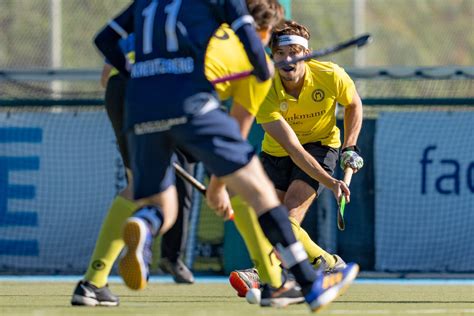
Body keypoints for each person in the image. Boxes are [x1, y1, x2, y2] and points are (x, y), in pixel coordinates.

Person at [93, 0, 359, 312]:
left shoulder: (166, 9)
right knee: (259, 192)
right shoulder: (230, 18)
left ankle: (145, 224)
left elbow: (105, 42)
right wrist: (261, 66)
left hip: (139, 104)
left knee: (160, 203)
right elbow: (241, 118)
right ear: (265, 33)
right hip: (192, 106)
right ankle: (308, 282)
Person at [231, 19, 364, 305]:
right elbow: (291, 148)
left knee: (288, 216)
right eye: (280, 54)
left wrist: (350, 146)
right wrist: (330, 182)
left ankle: (324, 265)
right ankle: (274, 271)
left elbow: (353, 104)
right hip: (279, 151)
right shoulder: (263, 88)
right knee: (268, 218)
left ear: (308, 53)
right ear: (272, 56)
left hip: (321, 145)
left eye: (294, 52)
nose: (288, 59)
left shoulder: (331, 75)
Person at [71, 33, 195, 307]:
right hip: (161, 92)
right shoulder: (193, 15)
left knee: (137, 187)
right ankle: (143, 228)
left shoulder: (140, 19)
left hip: (119, 89)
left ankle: (93, 283)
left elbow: (106, 76)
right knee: (164, 204)